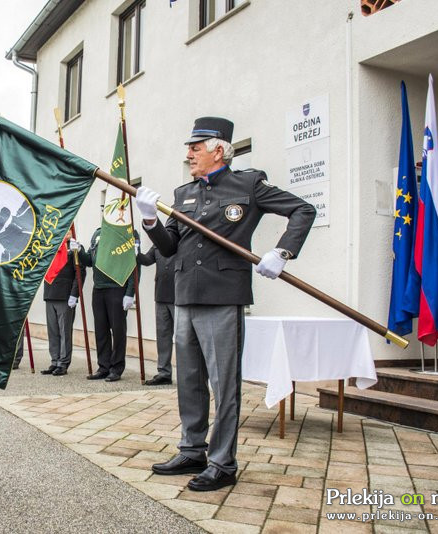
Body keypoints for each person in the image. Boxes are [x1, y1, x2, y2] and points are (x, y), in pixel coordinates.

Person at [134, 116, 315, 492]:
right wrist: (150, 221)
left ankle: (223, 463)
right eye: (189, 148)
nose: (189, 154)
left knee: (223, 383)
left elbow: (302, 210)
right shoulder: (183, 192)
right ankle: (192, 450)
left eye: (195, 147)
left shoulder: (247, 184)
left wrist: (282, 251)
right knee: (189, 380)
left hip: (222, 296)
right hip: (185, 295)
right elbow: (169, 247)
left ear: (219, 149)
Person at [70, 227, 138, 382]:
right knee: (101, 331)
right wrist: (79, 250)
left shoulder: (128, 230)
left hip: (117, 288)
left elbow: (134, 264)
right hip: (99, 289)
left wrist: (130, 292)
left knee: (118, 331)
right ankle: (103, 367)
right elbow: (89, 261)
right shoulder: (98, 232)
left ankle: (116, 368)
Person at [40, 231, 86, 376]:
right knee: (53, 331)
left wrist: (74, 294)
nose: (65, 232)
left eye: (68, 229)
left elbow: (80, 273)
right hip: (50, 294)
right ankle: (54, 361)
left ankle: (63, 363)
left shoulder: (75, 248)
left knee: (64, 331)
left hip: (65, 296)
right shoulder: (51, 247)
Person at [137, 245, 175, 386]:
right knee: (163, 336)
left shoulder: (182, 239)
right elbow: (147, 260)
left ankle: (187, 374)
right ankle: (164, 372)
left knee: (184, 338)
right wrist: (136, 253)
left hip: (179, 296)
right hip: (161, 295)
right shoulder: (158, 243)